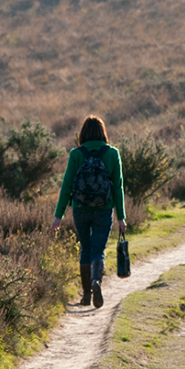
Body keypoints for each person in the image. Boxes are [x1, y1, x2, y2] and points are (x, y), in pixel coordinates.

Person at [49, 115, 127, 308]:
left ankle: (85, 296)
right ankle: (96, 282)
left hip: (80, 209)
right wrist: (121, 217)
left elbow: (67, 186)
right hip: (104, 209)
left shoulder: (76, 154)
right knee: (98, 250)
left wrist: (57, 217)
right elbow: (118, 187)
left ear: (83, 133)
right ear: (103, 133)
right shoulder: (112, 153)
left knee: (85, 249)